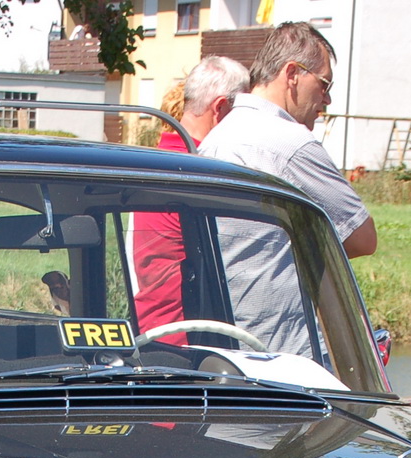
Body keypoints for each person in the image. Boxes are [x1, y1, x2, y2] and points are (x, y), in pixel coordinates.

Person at [198, 22, 376, 359]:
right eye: (324, 84)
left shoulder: (216, 138)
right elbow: (363, 238)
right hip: (288, 356)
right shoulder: (290, 143)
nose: (327, 98)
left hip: (225, 350)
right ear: (292, 73)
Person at [129, 57, 251, 343]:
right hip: (190, 342)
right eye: (242, 113)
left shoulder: (158, 158)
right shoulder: (199, 173)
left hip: (152, 330)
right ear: (220, 108)